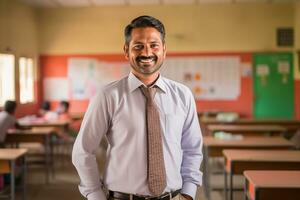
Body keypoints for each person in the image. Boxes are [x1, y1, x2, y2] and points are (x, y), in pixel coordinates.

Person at [72, 16, 203, 200]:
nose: (147, 52)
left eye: (154, 45)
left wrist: (189, 193)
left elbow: (192, 149)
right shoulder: (108, 96)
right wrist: (95, 195)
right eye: (138, 46)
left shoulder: (183, 95)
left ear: (164, 50)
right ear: (126, 51)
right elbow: (83, 150)